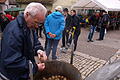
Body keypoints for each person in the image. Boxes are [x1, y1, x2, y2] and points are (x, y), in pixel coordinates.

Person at [0, 2, 47, 80]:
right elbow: (12, 61)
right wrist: (34, 67)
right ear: (27, 14)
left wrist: (39, 50)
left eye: (39, 24)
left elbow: (34, 41)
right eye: (36, 22)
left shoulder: (29, 26)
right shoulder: (13, 31)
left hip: (21, 74)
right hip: (10, 76)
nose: (36, 26)